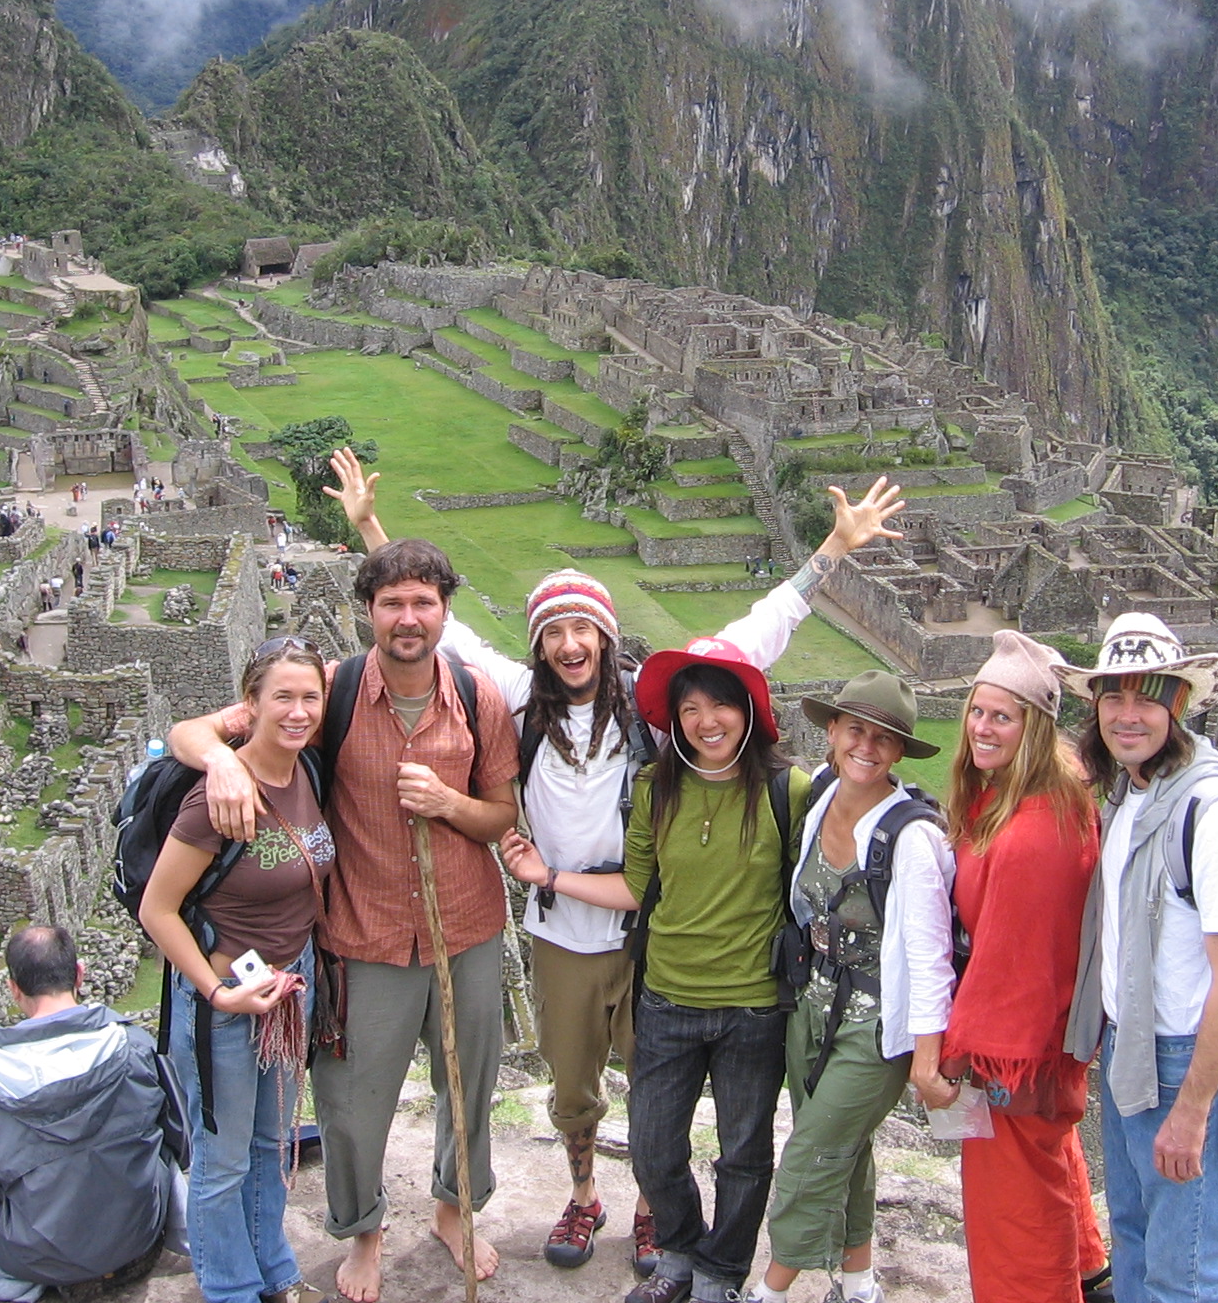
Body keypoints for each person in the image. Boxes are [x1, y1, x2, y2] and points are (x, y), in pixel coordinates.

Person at [324, 445, 907, 1277]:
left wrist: (831, 553)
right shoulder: (521, 701)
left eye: (582, 629)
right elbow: (428, 620)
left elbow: (756, 636)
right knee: (571, 1091)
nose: (569, 644)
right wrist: (371, 530)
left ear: (604, 636)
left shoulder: (650, 704)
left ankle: (646, 1210)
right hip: (563, 928)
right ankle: (583, 1190)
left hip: (643, 929)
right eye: (553, 630)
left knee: (653, 1089)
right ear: (542, 643)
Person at [169, 540, 522, 1303]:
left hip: (465, 924)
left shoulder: (477, 694)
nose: (407, 618)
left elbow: (502, 815)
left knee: (471, 1081)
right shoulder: (327, 691)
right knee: (352, 1099)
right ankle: (363, 1230)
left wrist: (448, 805)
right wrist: (222, 763)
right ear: (368, 613)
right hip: (363, 933)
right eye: (391, 603)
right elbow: (193, 732)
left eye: (422, 603)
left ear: (444, 612)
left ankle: (454, 1211)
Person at [502, 639, 803, 1303]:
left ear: (750, 709)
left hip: (754, 1007)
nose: (706, 720)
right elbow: (637, 888)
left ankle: (718, 1275)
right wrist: (546, 874)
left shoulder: (789, 790)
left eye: (721, 703)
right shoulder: (656, 786)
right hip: (668, 995)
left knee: (743, 1156)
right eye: (690, 708)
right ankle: (679, 1251)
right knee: (655, 1147)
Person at [1056, 614, 1218, 1303]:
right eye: (1113, 697)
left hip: (1184, 1062)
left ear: (1177, 703)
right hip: (1128, 1050)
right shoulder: (1133, 792)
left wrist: (1195, 1110)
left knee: (1184, 1268)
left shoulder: (1213, 808)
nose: (1127, 715)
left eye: (1146, 697)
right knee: (1137, 1244)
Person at [142, 640, 335, 1303]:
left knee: (270, 1141)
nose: (298, 710)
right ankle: (228, 1287)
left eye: (309, 697)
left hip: (285, 989)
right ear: (249, 704)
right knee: (221, 1156)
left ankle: (273, 1269)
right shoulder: (215, 801)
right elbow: (158, 910)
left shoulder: (307, 768)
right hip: (224, 1000)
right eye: (282, 696)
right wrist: (216, 992)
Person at [750, 673, 952, 1303]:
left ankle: (771, 1289)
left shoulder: (912, 838)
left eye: (884, 738)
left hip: (874, 1027)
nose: (867, 747)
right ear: (831, 732)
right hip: (810, 1007)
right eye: (855, 730)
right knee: (845, 1146)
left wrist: (927, 1058)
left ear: (899, 753)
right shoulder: (822, 796)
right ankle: (860, 1279)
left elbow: (929, 957)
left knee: (811, 1152)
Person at [930, 633, 1108, 1303]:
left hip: (1019, 1048)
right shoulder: (1031, 795)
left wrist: (950, 1054)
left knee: (1010, 1211)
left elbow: (1012, 965)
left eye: (1002, 716)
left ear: (1033, 728)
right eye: (978, 710)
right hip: (1048, 1039)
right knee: (1048, 1163)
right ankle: (1090, 1270)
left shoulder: (1034, 835)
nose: (981, 727)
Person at [0, 925, 184, 1301]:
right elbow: (180, 1138)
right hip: (135, 1232)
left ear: (13, 988)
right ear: (79, 974)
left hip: (32, 1252)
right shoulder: (134, 1045)